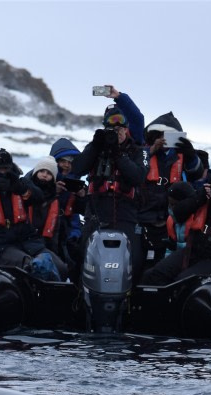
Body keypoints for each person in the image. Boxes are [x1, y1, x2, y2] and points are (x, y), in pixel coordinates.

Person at [71, 103, 149, 280]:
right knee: (83, 258)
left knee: (133, 260)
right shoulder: (97, 148)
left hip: (126, 214)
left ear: (127, 129)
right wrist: (95, 146)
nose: (117, 133)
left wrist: (118, 154)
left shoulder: (138, 151)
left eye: (120, 129)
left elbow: (138, 176)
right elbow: (77, 168)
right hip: (96, 213)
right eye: (112, 129)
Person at [140, 163, 211, 286]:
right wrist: (200, 197)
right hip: (193, 252)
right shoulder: (203, 195)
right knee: (154, 274)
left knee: (182, 281)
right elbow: (178, 214)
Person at [0, 148, 62, 281]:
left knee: (60, 267)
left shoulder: (20, 184)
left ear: (11, 168)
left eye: (6, 169)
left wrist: (21, 189)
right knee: (31, 265)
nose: (3, 172)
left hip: (27, 242)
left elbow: (39, 197)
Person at [139, 112, 205, 274]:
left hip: (173, 219)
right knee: (144, 263)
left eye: (169, 136)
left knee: (168, 262)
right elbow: (135, 170)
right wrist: (152, 150)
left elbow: (197, 174)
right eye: (160, 135)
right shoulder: (144, 153)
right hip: (145, 218)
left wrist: (190, 155)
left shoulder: (184, 156)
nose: (164, 139)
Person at [24, 157, 69, 281]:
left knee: (62, 269)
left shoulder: (54, 200)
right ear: (35, 173)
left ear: (53, 178)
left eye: (49, 173)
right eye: (42, 171)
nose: (44, 175)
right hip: (23, 243)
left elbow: (55, 233)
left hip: (43, 245)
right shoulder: (24, 194)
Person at [50, 137, 86, 282]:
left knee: (76, 262)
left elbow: (87, 211)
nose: (66, 165)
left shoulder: (78, 181)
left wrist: (82, 196)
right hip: (49, 229)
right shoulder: (43, 176)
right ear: (55, 162)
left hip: (71, 228)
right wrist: (53, 191)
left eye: (70, 162)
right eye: (62, 161)